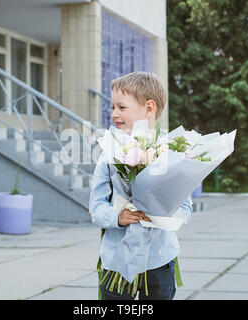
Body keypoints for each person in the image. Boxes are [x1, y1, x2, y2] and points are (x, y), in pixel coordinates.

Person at [89, 71, 193, 300]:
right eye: (112, 107)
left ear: (149, 108)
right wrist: (117, 216)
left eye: (122, 107)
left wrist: (164, 215)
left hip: (159, 260)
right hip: (117, 259)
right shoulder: (108, 153)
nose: (114, 113)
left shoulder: (171, 152)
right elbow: (95, 207)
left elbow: (185, 207)